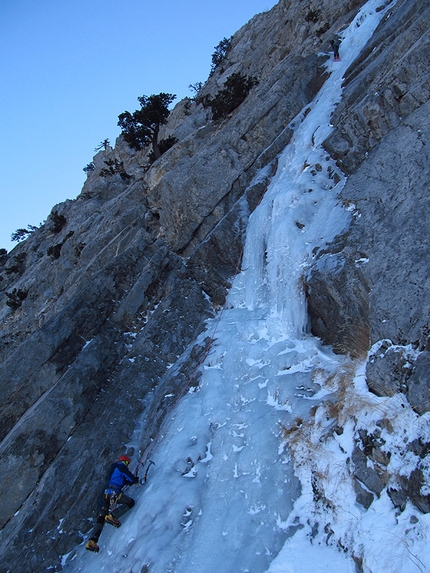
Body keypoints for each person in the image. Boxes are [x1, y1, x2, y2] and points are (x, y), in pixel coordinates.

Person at [85, 455, 139, 553]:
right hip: (114, 493)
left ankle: (92, 541)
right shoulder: (121, 467)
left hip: (106, 493)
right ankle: (113, 516)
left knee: (102, 515)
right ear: (125, 462)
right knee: (130, 502)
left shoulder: (113, 469)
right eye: (128, 463)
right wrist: (134, 480)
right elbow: (130, 478)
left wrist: (127, 482)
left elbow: (118, 480)